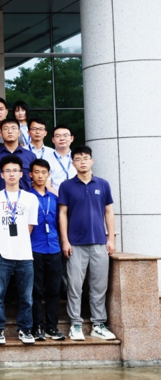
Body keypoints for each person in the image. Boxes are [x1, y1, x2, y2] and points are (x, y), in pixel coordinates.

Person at [58, 146, 117, 342]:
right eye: (78, 159)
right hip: (75, 244)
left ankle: (98, 325)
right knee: (75, 286)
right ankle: (75, 324)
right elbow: (63, 214)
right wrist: (65, 241)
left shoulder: (103, 184)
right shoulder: (66, 186)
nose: (82, 162)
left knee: (99, 286)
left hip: (99, 242)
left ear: (92, 161)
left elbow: (108, 212)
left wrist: (111, 239)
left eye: (85, 158)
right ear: (73, 163)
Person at [0, 155, 39, 345]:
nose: (11, 174)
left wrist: (18, 242)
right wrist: (2, 244)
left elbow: (30, 226)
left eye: (15, 170)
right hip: (1, 254)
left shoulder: (30, 198)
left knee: (26, 297)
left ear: (21, 174)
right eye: (7, 171)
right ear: (1, 174)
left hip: (24, 254)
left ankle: (25, 329)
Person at [28, 159, 66, 341]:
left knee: (54, 290)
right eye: (37, 172)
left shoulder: (54, 198)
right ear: (30, 174)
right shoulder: (27, 197)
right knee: (35, 290)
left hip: (54, 248)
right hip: (34, 248)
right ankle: (37, 327)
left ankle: (52, 327)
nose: (40, 176)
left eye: (44, 172)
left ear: (49, 175)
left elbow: (60, 223)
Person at [0, 118, 33, 192]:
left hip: (25, 197)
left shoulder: (30, 156)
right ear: (1, 134)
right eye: (6, 129)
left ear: (19, 133)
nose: (10, 131)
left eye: (13, 128)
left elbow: (34, 182)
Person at [49, 125, 77, 190]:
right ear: (53, 140)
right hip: (55, 195)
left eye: (65, 135)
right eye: (58, 136)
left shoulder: (79, 159)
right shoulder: (46, 160)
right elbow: (47, 185)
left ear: (72, 138)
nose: (62, 138)